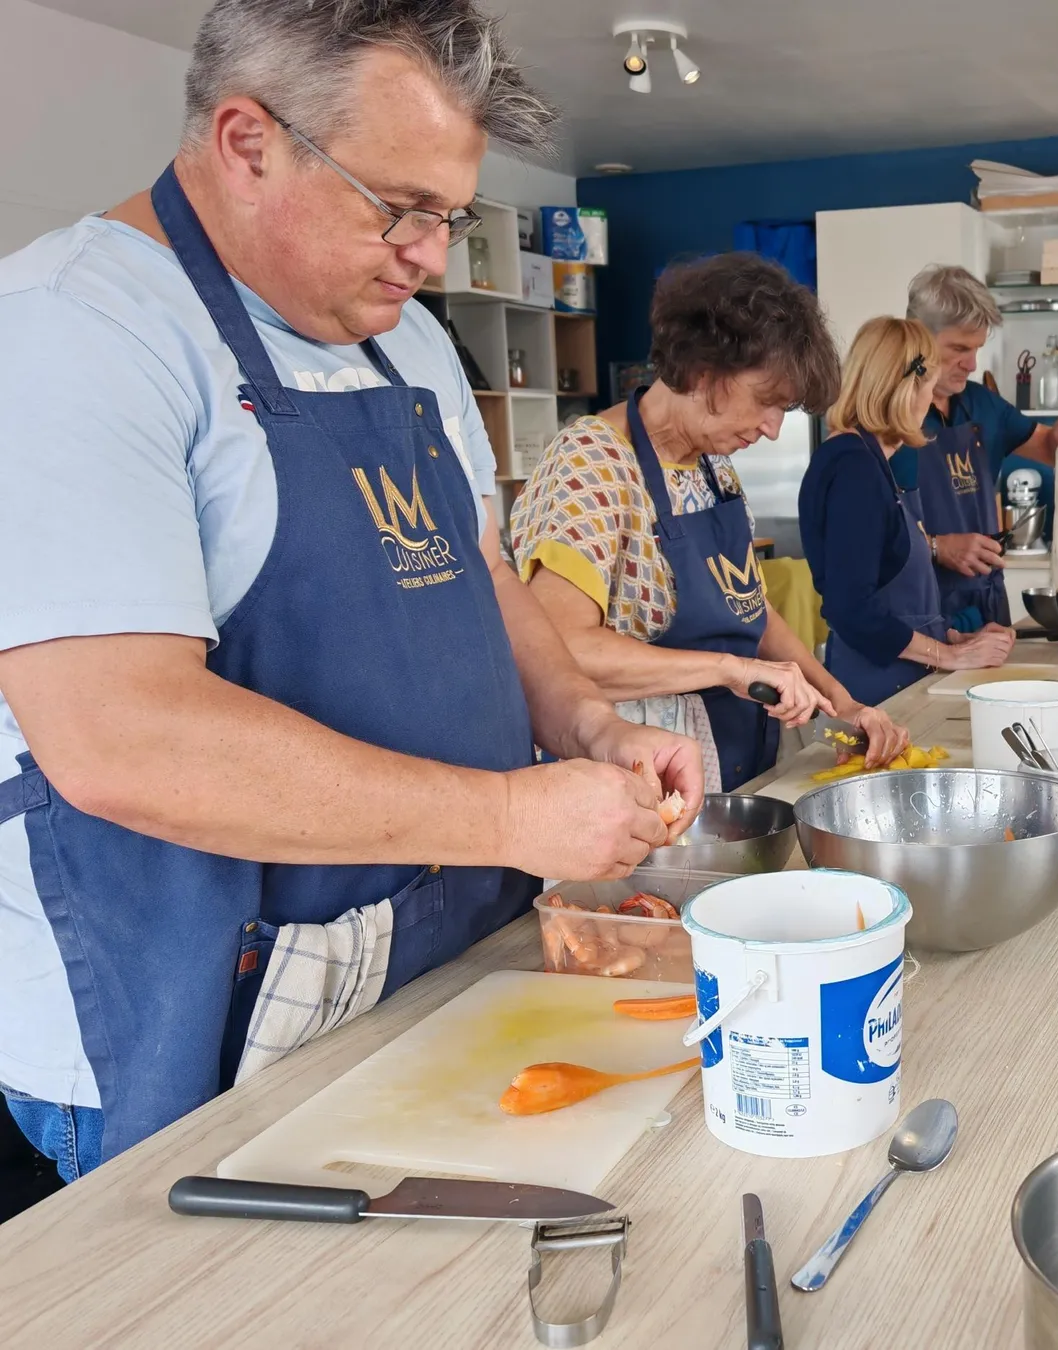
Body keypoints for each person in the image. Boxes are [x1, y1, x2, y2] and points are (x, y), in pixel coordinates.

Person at [0, 0, 703, 1182]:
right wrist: (508, 819)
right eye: (400, 207)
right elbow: (122, 739)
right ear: (247, 141)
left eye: (449, 215)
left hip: (427, 948)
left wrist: (588, 724)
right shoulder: (73, 333)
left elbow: (482, 571)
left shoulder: (406, 341)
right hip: (186, 1005)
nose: (431, 255)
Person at [512, 254, 908, 787]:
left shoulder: (713, 466)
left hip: (737, 756)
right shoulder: (591, 463)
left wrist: (842, 703)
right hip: (638, 776)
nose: (772, 429)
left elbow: (751, 608)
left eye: (784, 410)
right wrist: (729, 669)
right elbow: (558, 649)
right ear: (703, 371)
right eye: (766, 402)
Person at [800, 318, 1016, 705]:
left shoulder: (867, 460)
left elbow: (889, 595)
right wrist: (948, 656)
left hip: (900, 681)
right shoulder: (854, 469)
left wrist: (950, 638)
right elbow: (852, 610)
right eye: (930, 388)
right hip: (876, 691)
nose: (930, 402)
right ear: (907, 391)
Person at [898, 264, 1058, 630]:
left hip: (984, 607)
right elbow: (864, 533)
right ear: (916, 336)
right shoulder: (883, 412)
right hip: (914, 613)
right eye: (959, 349)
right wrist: (938, 546)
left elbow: (1050, 447)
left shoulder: (983, 405)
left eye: (977, 348)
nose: (972, 364)